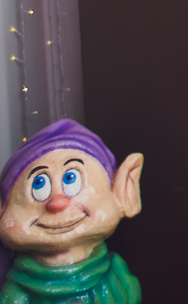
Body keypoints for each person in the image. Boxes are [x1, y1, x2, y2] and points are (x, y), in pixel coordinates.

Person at [0, 119, 144, 303]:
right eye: (39, 185)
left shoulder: (117, 275)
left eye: (71, 179)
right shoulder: (18, 290)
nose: (58, 203)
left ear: (124, 192)